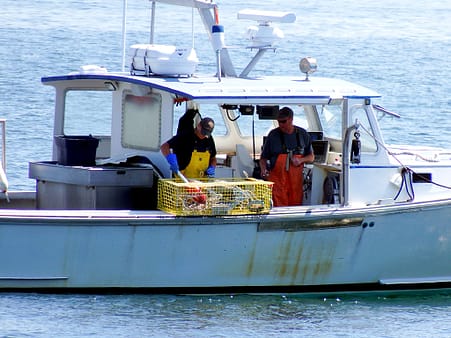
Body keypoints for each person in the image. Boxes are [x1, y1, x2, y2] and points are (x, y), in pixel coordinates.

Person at [259, 107, 314, 206]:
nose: (281, 124)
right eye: (279, 121)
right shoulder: (273, 135)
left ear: (291, 119)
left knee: (295, 208)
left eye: (284, 121)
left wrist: (301, 160)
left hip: (295, 184)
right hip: (277, 182)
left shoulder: (303, 134)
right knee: (278, 208)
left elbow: (311, 157)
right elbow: (263, 159)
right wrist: (263, 170)